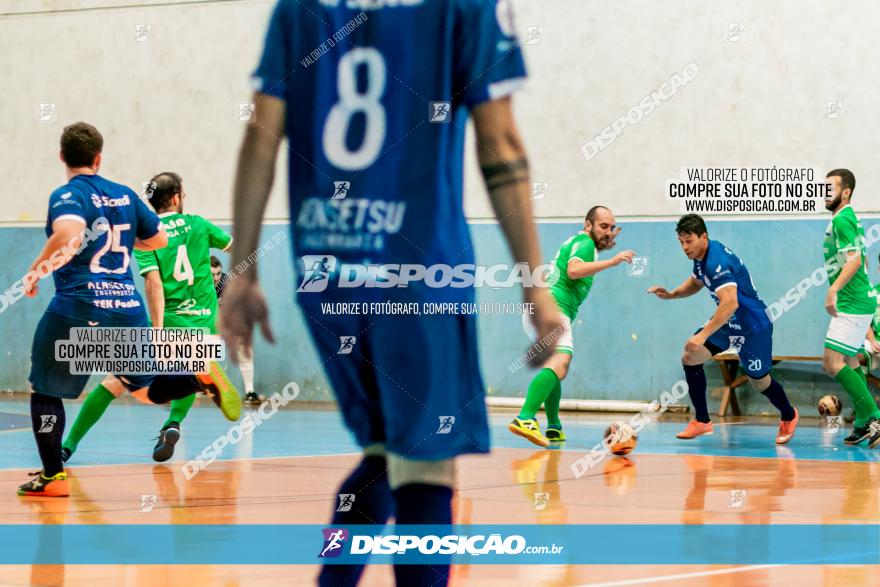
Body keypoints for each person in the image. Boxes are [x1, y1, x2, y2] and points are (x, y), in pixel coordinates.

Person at [220, 1, 563, 585]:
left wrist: (243, 271)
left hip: (326, 270)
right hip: (419, 273)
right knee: (426, 473)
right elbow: (500, 144)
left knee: (385, 455)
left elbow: (261, 135)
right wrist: (535, 285)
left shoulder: (298, 8)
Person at [19, 123, 239, 497]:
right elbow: (158, 238)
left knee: (44, 389)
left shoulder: (68, 194)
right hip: (127, 307)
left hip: (79, 305)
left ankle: (53, 476)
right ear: (98, 157)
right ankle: (196, 378)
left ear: (62, 157)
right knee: (145, 388)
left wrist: (35, 271)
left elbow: (70, 236)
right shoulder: (124, 195)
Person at [60, 171, 239, 463]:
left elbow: (153, 283)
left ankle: (67, 446)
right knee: (189, 370)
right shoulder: (199, 224)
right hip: (207, 324)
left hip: (172, 323)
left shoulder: (148, 236)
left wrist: (156, 330)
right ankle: (174, 422)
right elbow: (235, 246)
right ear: (178, 197)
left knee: (114, 382)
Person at [648, 214, 799, 444]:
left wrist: (703, 334)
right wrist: (672, 294)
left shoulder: (716, 261)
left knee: (759, 381)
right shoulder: (700, 257)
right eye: (681, 242)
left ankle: (789, 414)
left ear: (704, 237)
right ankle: (702, 421)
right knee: (690, 355)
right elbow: (697, 282)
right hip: (729, 322)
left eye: (689, 241)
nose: (685, 247)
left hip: (753, 326)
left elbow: (730, 302)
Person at [510, 205, 634, 446]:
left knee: (555, 365)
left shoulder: (580, 243)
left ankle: (554, 426)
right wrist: (613, 261)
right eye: (602, 226)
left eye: (611, 227)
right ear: (588, 225)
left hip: (543, 308)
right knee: (562, 361)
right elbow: (574, 270)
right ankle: (525, 417)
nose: (608, 232)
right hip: (553, 311)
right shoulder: (585, 244)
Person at [820, 169, 880, 447]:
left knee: (832, 363)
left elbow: (855, 259)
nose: (824, 192)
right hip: (859, 298)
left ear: (845, 192)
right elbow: (864, 260)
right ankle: (860, 423)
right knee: (852, 361)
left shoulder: (843, 217)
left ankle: (874, 416)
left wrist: (833, 289)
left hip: (852, 303)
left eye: (830, 188)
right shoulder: (848, 217)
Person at [212, 255, 262, 406]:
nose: (216, 278)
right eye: (212, 274)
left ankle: (249, 392)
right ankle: (185, 389)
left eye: (218, 273)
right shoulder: (196, 283)